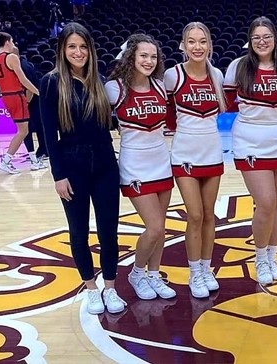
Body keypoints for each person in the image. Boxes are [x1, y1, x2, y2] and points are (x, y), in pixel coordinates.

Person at [39, 22, 126, 314]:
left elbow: (109, 124)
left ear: (91, 49)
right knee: (79, 232)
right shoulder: (51, 82)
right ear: (62, 50)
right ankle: (90, 288)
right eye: (72, 47)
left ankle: (111, 288)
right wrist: (58, 175)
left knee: (109, 231)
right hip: (72, 165)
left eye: (83, 47)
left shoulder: (99, 80)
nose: (78, 52)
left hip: (104, 163)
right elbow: (49, 135)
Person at [224, 17, 277, 285]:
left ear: (275, 39)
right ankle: (259, 257)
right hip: (251, 141)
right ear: (250, 40)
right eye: (256, 37)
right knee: (265, 202)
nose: (262, 41)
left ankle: (272, 255)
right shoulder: (238, 67)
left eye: (266, 36)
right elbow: (227, 102)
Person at [106, 34, 176, 301]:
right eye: (143, 55)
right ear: (131, 57)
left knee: (163, 226)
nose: (148, 61)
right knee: (155, 226)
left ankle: (154, 274)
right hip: (134, 165)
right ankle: (137, 272)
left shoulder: (160, 86)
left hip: (161, 161)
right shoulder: (114, 88)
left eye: (153, 56)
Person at [164, 22, 227, 298]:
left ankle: (205, 268)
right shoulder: (172, 75)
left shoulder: (217, 75)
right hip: (185, 154)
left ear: (209, 45)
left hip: (212, 150)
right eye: (191, 41)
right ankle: (193, 272)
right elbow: (166, 116)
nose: (197, 47)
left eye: (202, 41)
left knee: (209, 215)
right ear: (183, 45)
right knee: (195, 214)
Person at [0, 32, 40, 174]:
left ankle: (30, 160)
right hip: (16, 95)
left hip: (5, 98)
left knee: (22, 130)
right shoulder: (12, 57)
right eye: (12, 40)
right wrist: (39, 93)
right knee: (23, 131)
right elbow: (23, 80)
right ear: (7, 41)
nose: (13, 43)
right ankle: (6, 161)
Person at [14, 45, 48, 168]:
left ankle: (42, 151)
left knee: (35, 127)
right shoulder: (22, 64)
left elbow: (30, 88)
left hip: (33, 100)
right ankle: (42, 150)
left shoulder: (23, 67)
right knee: (38, 127)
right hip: (34, 99)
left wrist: (26, 103)